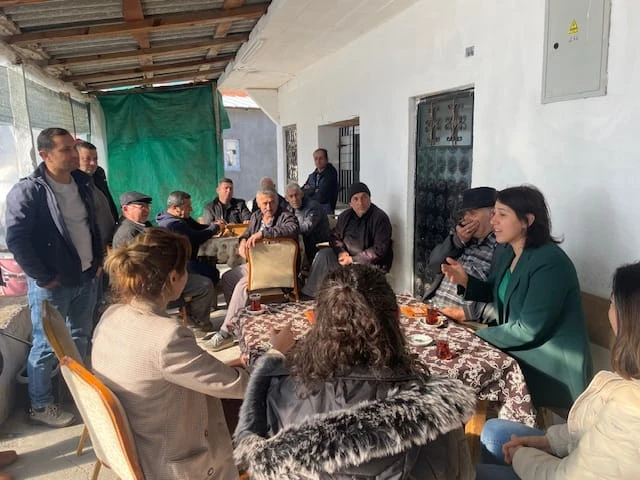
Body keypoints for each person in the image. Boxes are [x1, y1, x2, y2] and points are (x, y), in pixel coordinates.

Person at [234, 264, 476, 480]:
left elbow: (256, 449)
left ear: (317, 322)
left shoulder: (279, 392)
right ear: (395, 318)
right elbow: (458, 473)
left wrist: (272, 358)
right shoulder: (434, 406)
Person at [91, 228, 251, 479]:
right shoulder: (167, 336)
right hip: (172, 462)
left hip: (140, 442)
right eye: (186, 268)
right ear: (174, 277)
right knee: (273, 402)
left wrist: (230, 367)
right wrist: (273, 359)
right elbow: (240, 386)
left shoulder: (112, 315)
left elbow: (163, 372)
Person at [476, 261, 640, 480]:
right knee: (494, 431)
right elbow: (591, 426)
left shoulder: (550, 265)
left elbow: (568, 476)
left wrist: (520, 455)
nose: (609, 309)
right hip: (581, 452)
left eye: (612, 301)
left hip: (555, 377)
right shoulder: (510, 256)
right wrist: (548, 442)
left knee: (467, 473)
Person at [442, 185, 592, 409]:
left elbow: (529, 330)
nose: (493, 221)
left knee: (462, 371)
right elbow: (497, 293)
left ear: (527, 221)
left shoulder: (550, 263)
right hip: (518, 352)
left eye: (502, 215)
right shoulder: (510, 253)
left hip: (548, 366)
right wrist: (466, 282)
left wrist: (476, 336)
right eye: (494, 213)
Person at [5, 127, 102, 427]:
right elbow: (17, 239)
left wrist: (97, 262)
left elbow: (91, 225)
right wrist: (43, 276)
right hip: (52, 284)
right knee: (47, 345)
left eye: (73, 147)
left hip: (86, 276)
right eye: (65, 149)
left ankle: (78, 395)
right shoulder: (30, 190)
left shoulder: (82, 183)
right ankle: (40, 405)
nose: (74, 154)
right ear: (44, 154)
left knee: (79, 337)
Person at [208, 187, 299, 351]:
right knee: (228, 278)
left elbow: (292, 229)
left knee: (243, 286)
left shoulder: (287, 216)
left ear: (277, 202)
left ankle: (226, 331)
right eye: (264, 203)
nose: (268, 207)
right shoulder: (256, 216)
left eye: (272, 203)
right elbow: (247, 233)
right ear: (258, 203)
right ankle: (240, 322)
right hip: (257, 265)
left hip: (277, 268)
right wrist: (243, 241)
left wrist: (264, 233)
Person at [112, 191, 216, 329]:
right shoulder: (127, 233)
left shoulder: (144, 225)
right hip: (150, 287)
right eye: (141, 207)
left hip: (163, 276)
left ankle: (193, 317)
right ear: (125, 209)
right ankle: (199, 323)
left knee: (204, 273)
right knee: (204, 284)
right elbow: (139, 267)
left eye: (147, 207)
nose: (146, 210)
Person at [301, 182, 392, 298]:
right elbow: (334, 237)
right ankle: (310, 294)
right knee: (323, 255)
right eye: (356, 199)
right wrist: (341, 252)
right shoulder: (345, 216)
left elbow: (379, 250)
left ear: (370, 199)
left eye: (364, 197)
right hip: (346, 258)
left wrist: (353, 259)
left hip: (368, 263)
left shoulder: (380, 218)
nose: (360, 202)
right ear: (350, 203)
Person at [425, 186, 503, 322]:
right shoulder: (461, 239)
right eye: (464, 214)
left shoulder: (501, 247)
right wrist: (457, 241)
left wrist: (466, 313)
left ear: (492, 213)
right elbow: (433, 265)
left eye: (472, 213)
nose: (466, 219)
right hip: (435, 309)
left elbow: (498, 296)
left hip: (464, 322)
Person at [156, 190, 223, 285]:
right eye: (187, 206)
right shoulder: (172, 224)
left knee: (209, 265)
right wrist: (215, 228)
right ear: (175, 208)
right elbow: (196, 237)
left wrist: (215, 225)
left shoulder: (181, 217)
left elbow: (198, 227)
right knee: (213, 273)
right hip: (179, 265)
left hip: (189, 260)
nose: (191, 209)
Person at [75, 140, 116, 249]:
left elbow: (108, 201)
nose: (93, 163)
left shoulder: (97, 175)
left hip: (109, 241)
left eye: (95, 159)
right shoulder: (72, 186)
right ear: (75, 159)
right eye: (87, 159)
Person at [284, 181, 330, 266]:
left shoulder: (313, 207)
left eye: (296, 195)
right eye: (291, 196)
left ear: (301, 194)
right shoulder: (288, 208)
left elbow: (306, 228)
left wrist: (286, 230)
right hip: (303, 245)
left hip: (318, 246)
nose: (294, 199)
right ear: (286, 199)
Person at [301, 147, 339, 214]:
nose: (318, 161)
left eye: (321, 158)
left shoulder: (331, 174)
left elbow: (321, 196)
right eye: (316, 159)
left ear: (326, 160)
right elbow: (302, 191)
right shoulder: (313, 174)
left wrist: (310, 189)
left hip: (325, 209)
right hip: (312, 208)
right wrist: (314, 190)